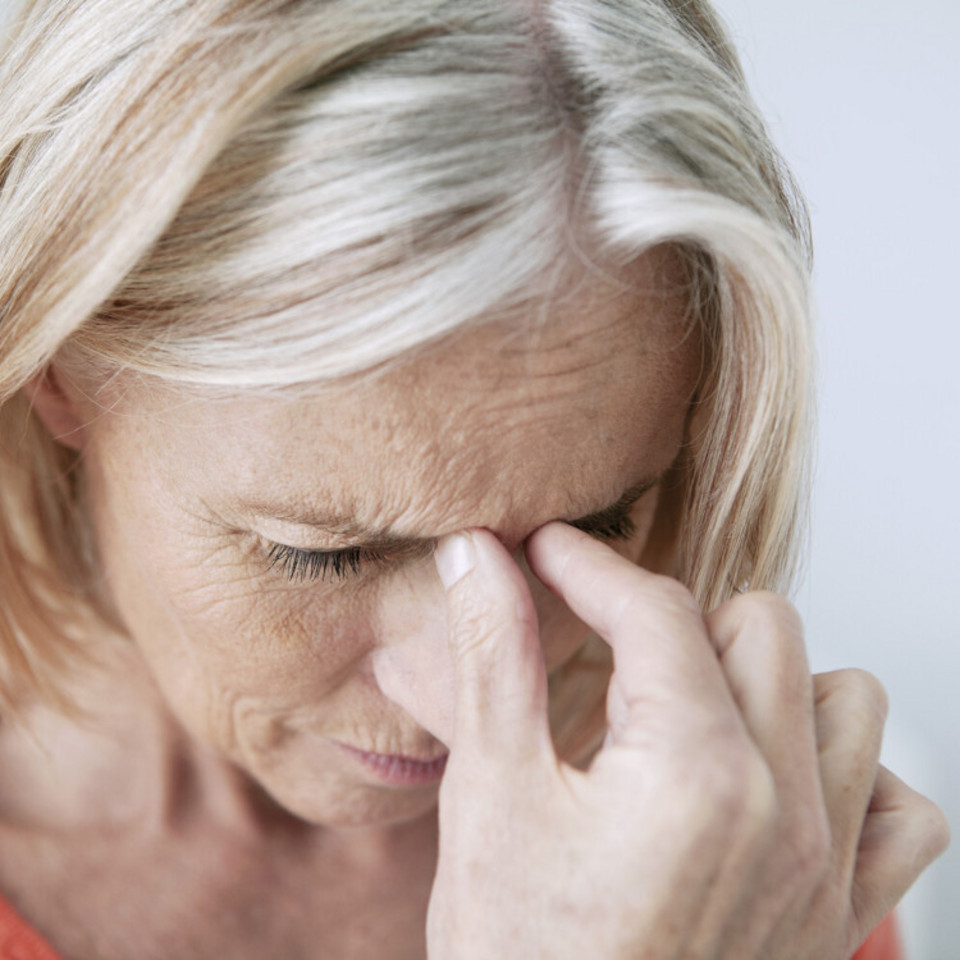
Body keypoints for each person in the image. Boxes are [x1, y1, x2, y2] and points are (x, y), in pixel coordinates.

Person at [0, 0, 948, 958]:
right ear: (58, 369)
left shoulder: (736, 863)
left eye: (596, 526)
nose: (460, 703)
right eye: (325, 554)